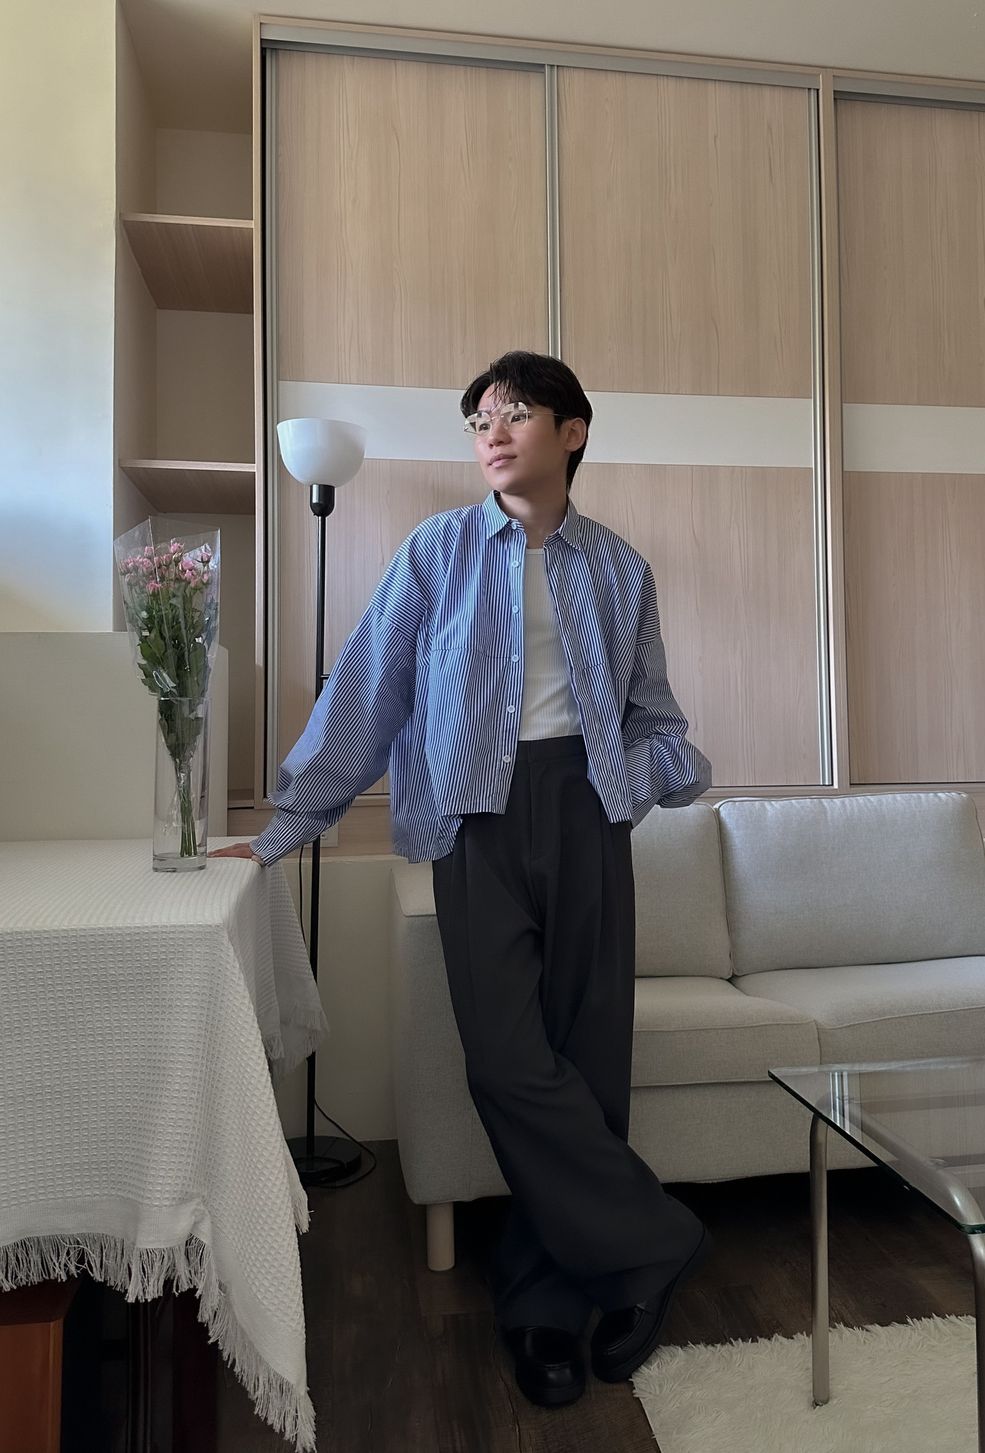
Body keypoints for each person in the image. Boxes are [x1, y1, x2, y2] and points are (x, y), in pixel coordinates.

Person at [212, 350, 713, 1407]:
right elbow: (367, 691)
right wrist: (286, 824)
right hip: (473, 822)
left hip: (588, 816)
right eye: (480, 419)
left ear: (572, 432)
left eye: (514, 413)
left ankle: (547, 1303)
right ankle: (653, 1240)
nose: (492, 432)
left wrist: (644, 780)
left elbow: (653, 716)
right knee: (507, 1062)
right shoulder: (435, 552)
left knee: (587, 1064)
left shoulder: (620, 568)